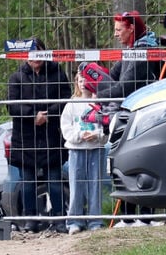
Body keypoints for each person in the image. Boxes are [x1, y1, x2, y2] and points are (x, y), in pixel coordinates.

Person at [94, 10, 161, 226]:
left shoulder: (143, 51)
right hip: (128, 115)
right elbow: (113, 77)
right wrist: (91, 76)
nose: (116, 35)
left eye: (119, 30)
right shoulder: (130, 50)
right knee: (124, 162)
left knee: (142, 162)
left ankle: (144, 217)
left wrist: (98, 96)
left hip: (143, 116)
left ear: (131, 28)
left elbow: (126, 85)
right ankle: (129, 216)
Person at [6, 38, 70, 234]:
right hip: (25, 136)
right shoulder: (16, 77)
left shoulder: (57, 72)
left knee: (54, 180)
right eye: (31, 54)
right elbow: (12, 105)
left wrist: (48, 114)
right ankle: (30, 220)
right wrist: (32, 116)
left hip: (51, 134)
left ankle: (59, 219)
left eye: (39, 53)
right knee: (27, 182)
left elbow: (66, 98)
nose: (36, 58)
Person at [61, 65, 108, 235]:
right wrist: (80, 135)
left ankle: (95, 220)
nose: (83, 83)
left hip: (96, 148)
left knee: (95, 185)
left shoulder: (99, 103)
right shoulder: (71, 105)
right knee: (76, 186)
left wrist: (97, 135)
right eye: (80, 80)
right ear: (76, 83)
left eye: (86, 79)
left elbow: (106, 127)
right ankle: (74, 220)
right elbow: (66, 128)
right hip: (76, 150)